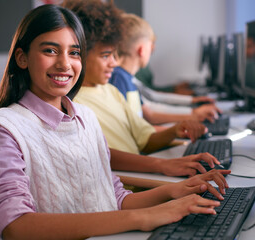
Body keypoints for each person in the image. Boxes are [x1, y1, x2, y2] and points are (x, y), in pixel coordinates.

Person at [0, 4, 231, 239]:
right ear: (22, 58)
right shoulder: (5, 129)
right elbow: (14, 226)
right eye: (50, 50)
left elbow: (114, 198)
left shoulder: (85, 118)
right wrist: (143, 217)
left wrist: (174, 192)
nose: (65, 63)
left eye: (74, 52)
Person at [67, 0, 210, 160]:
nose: (114, 63)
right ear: (80, 53)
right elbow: (106, 159)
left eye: (114, 55)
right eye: (106, 55)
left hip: (141, 174)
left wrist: (175, 130)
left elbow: (144, 139)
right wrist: (162, 165)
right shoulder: (73, 103)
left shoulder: (110, 90)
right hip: (131, 181)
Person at [109, 13, 221, 125]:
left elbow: (151, 100)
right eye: (151, 44)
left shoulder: (126, 77)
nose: (154, 48)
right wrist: (192, 114)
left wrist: (192, 107)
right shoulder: (119, 78)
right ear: (142, 50)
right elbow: (149, 114)